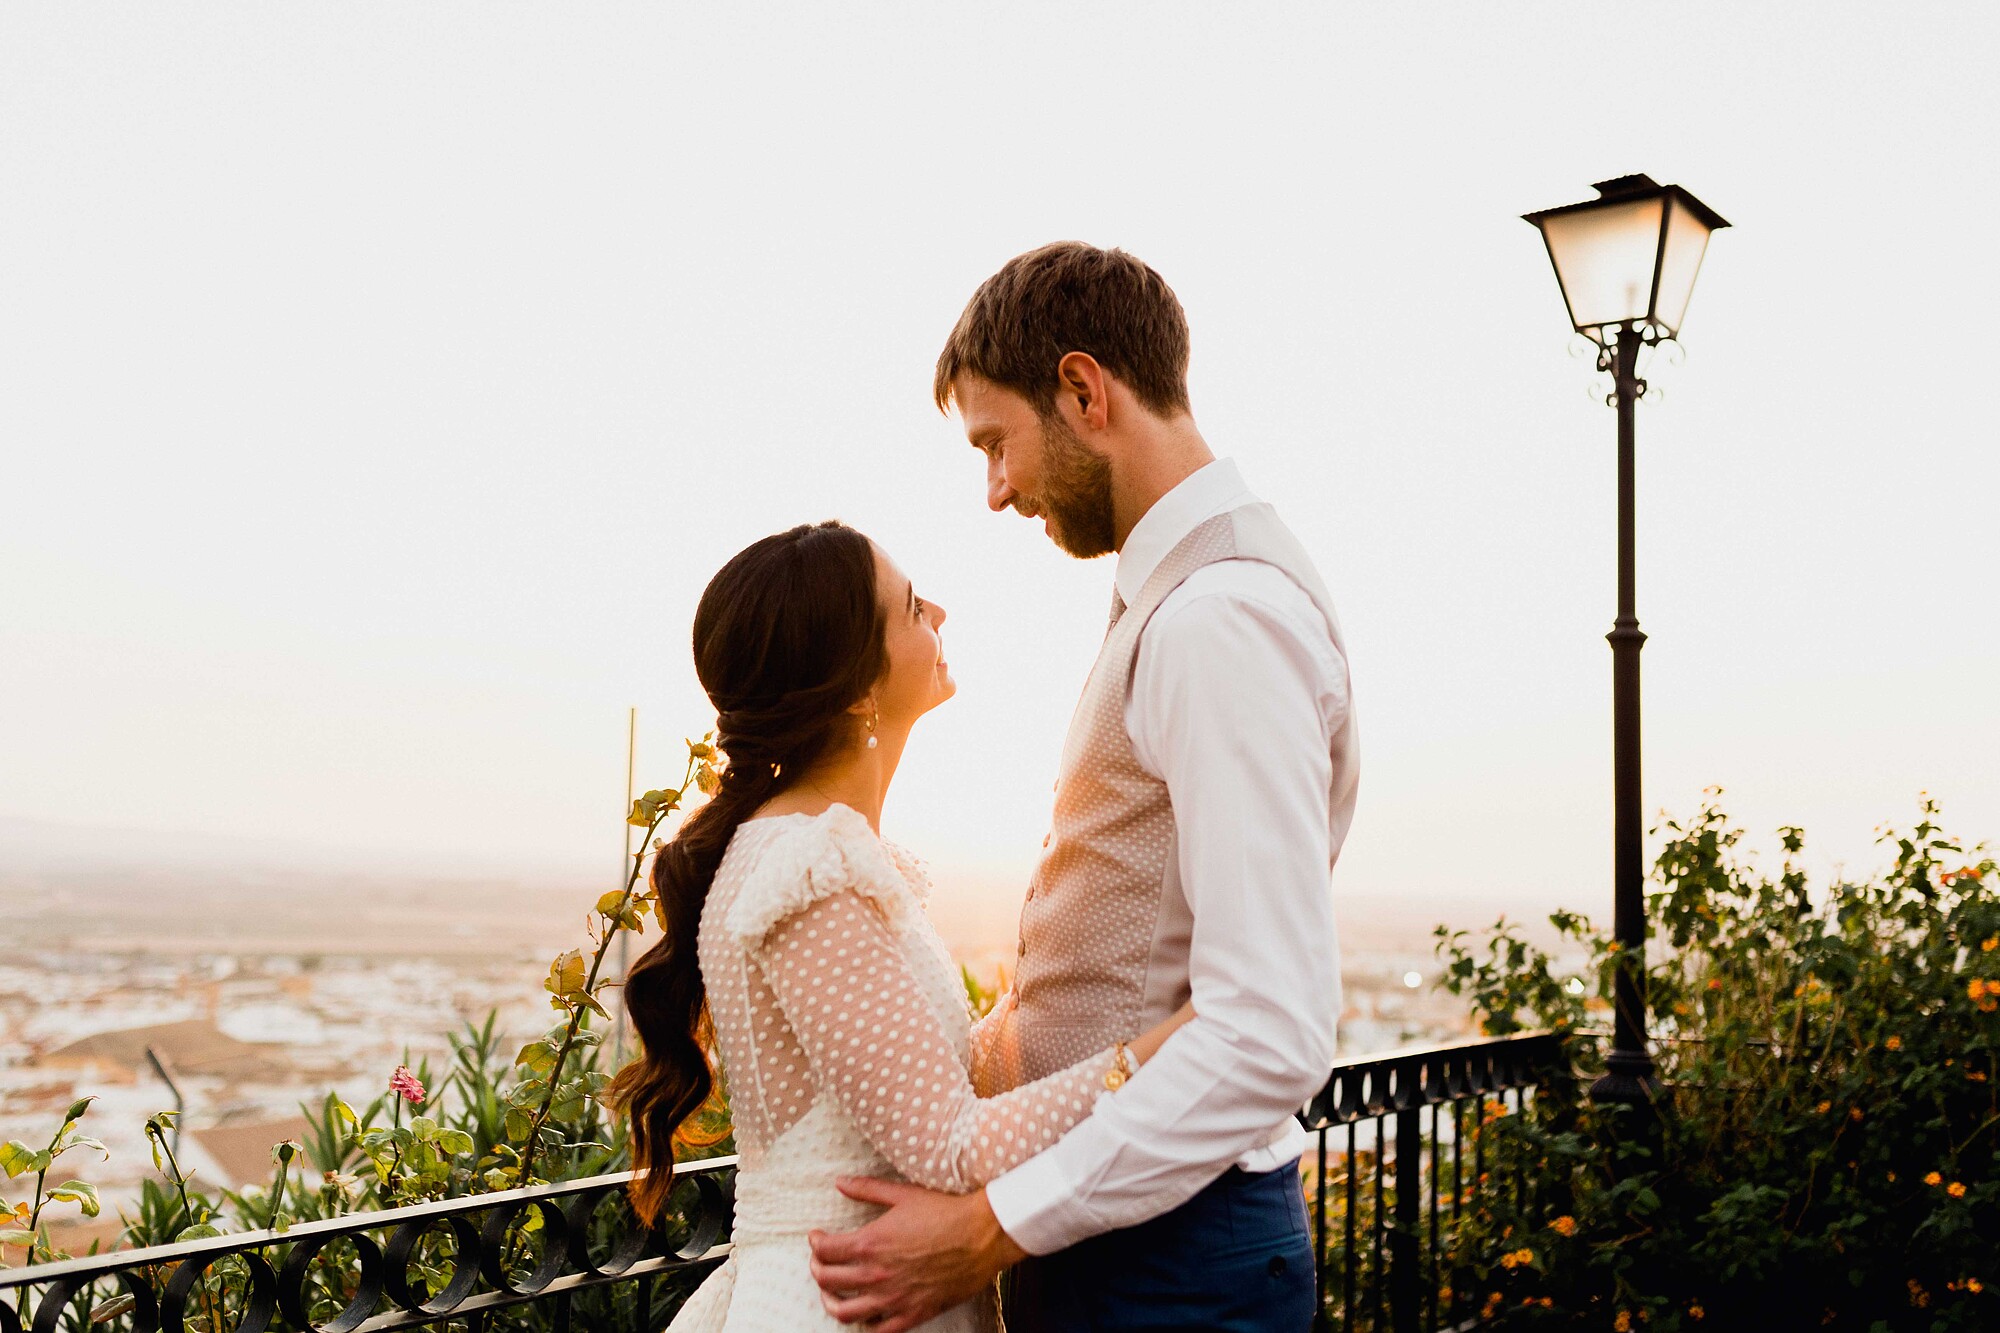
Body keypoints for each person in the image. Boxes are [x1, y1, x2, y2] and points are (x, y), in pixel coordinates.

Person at [806, 242, 1359, 1332]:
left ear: (1081, 389)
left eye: (994, 443)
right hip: (1129, 1241)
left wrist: (997, 1224)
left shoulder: (1218, 621)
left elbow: (1269, 1027)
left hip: (1167, 1263)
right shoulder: (1186, 597)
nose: (996, 489)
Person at [605, 519, 1196, 1332]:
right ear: (854, 684)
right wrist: (1163, 1048)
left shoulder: (821, 853)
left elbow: (910, 1085)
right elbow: (951, 1142)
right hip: (839, 1304)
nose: (941, 613)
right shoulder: (807, 871)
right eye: (912, 606)